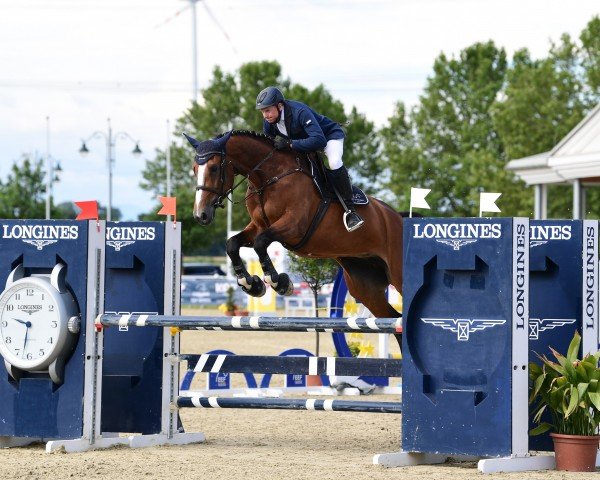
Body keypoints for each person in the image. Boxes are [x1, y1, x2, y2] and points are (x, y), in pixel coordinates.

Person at [256, 86, 364, 232]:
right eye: (263, 111)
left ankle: (350, 210)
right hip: (304, 144)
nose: (265, 115)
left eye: (267, 110)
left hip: (328, 137)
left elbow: (319, 140)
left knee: (334, 162)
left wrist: (290, 144)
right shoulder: (269, 121)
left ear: (279, 105)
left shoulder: (299, 112)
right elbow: (268, 146)